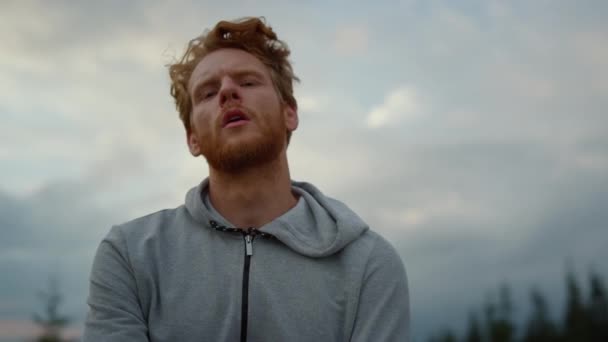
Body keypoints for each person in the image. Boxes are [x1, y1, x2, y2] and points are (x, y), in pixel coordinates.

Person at [83, 17, 409, 342]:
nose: (227, 91)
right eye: (208, 92)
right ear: (193, 138)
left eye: (248, 82)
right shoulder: (129, 254)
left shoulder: (369, 264)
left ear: (289, 113)